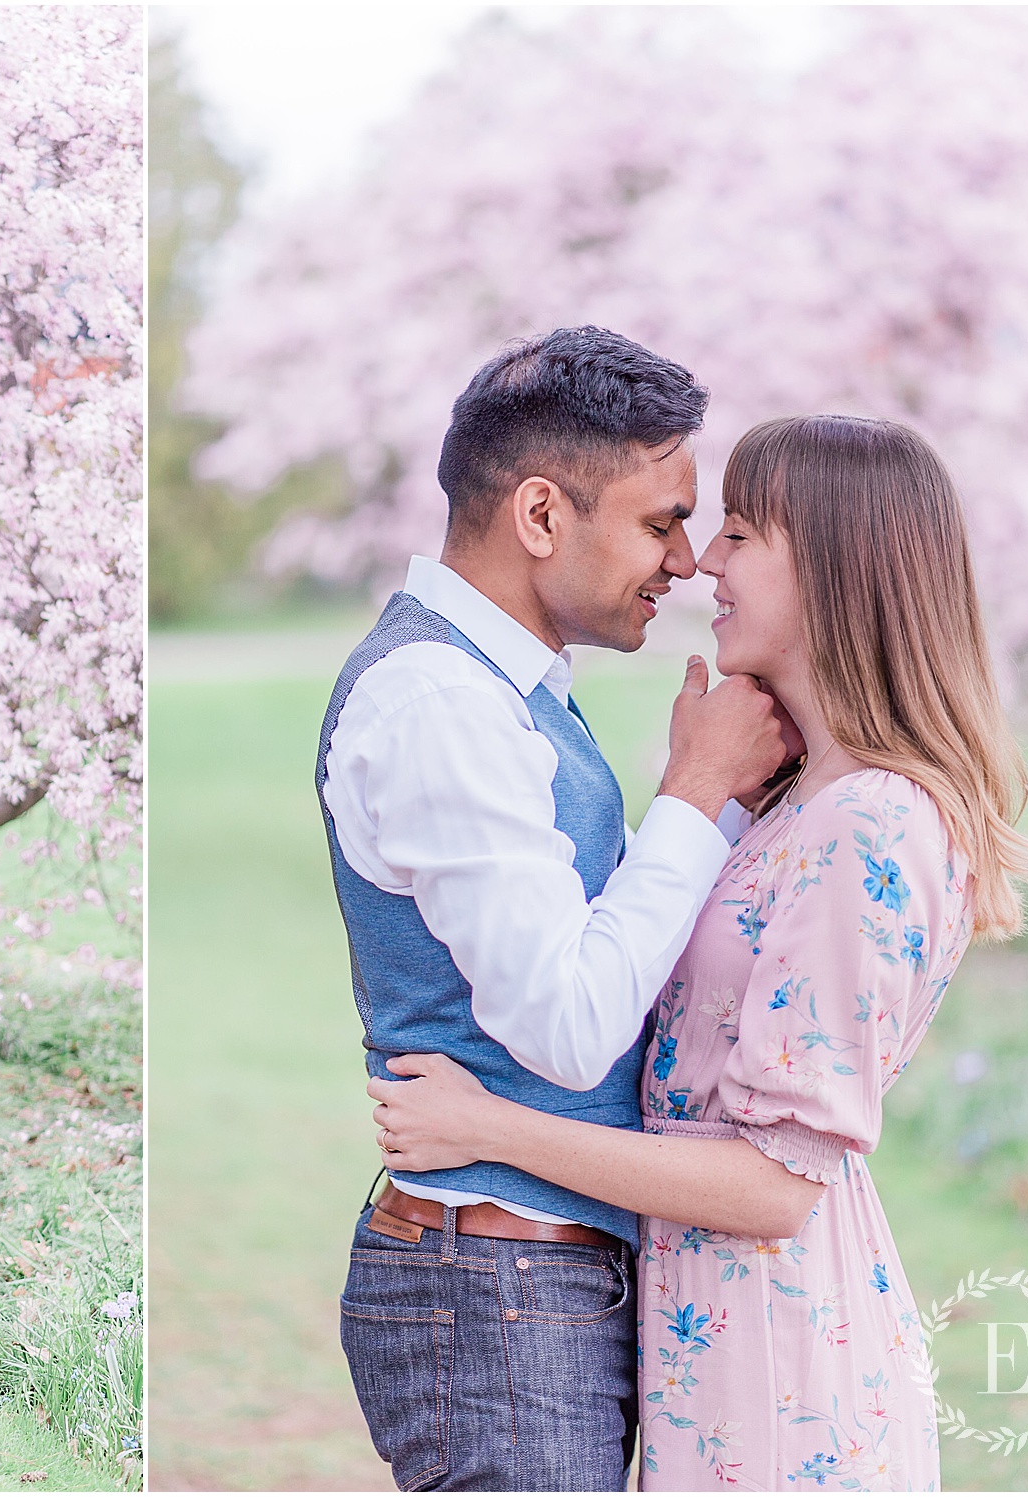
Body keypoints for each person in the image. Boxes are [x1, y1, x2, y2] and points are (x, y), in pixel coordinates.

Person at [372, 414, 1028, 1490]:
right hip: (716, 1346)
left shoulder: (869, 821)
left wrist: (488, 1126)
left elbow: (776, 1184)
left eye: (738, 533)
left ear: (837, 567)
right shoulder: (798, 805)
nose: (699, 563)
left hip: (780, 1379)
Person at [320, 326, 791, 1491]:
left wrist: (724, 809)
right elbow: (567, 1025)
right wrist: (691, 791)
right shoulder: (437, 703)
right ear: (539, 516)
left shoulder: (503, 691)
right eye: (657, 521)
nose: (683, 562)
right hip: (493, 1289)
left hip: (529, 1283)